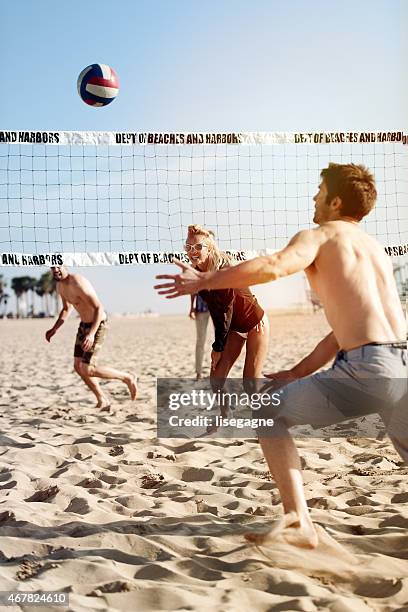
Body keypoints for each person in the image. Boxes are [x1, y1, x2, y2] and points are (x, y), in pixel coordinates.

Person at [155, 163, 407, 548]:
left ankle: (298, 522)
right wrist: (299, 369)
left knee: (267, 410)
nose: (314, 197)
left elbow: (274, 267)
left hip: (368, 369)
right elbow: (345, 330)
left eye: (320, 190)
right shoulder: (374, 249)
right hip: (401, 365)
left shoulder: (320, 236)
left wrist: (206, 279)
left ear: (336, 200)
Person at [181, 224, 270, 431]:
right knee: (216, 378)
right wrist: (218, 347)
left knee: (250, 383)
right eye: (188, 247)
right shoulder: (197, 276)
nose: (192, 252)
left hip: (256, 323)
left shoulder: (224, 271)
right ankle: (225, 414)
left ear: (209, 248)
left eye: (198, 247)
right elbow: (217, 313)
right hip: (233, 328)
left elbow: (226, 311)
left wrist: (217, 347)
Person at [45, 266, 137, 409]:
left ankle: (127, 377)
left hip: (97, 324)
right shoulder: (60, 286)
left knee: (87, 368)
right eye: (53, 267)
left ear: (65, 266)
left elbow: (99, 308)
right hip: (83, 325)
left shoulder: (77, 282)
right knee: (77, 366)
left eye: (59, 266)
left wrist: (92, 334)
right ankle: (102, 399)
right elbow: (66, 309)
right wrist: (55, 328)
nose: (56, 270)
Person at [189, 293, 211, 379]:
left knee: (220, 340)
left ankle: (219, 373)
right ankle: (198, 372)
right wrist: (191, 307)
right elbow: (193, 290)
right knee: (200, 341)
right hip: (200, 309)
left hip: (217, 307)